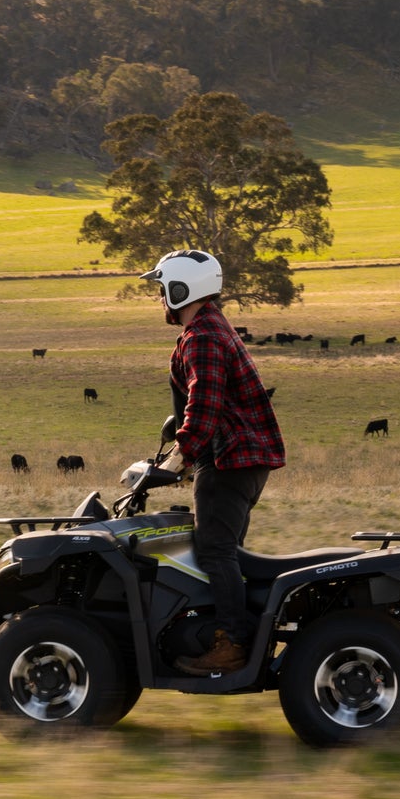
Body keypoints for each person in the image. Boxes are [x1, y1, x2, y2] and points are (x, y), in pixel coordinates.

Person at [142, 249, 285, 675]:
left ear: (181, 288)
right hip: (239, 457)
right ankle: (230, 631)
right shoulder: (208, 327)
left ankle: (232, 645)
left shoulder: (203, 336)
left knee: (215, 550)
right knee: (227, 553)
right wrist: (184, 458)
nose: (160, 297)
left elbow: (203, 408)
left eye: (163, 288)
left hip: (229, 459)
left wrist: (173, 462)